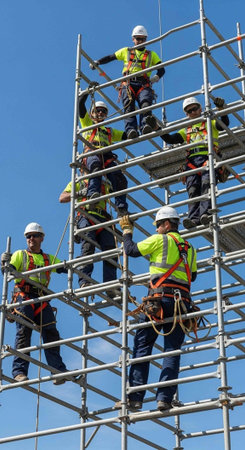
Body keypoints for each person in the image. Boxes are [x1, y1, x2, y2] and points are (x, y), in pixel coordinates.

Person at [118, 206, 197, 411]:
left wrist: (127, 232)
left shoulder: (160, 240)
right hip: (181, 304)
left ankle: (135, 397)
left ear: (167, 224)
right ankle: (164, 398)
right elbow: (193, 276)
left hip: (159, 301)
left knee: (142, 346)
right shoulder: (189, 247)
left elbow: (131, 250)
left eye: (158, 225)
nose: (156, 229)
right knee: (172, 351)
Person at [2, 223, 67, 384]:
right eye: (28, 236)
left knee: (51, 333)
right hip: (24, 297)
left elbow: (64, 267)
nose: (31, 238)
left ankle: (57, 370)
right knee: (24, 332)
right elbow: (8, 272)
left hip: (42, 299)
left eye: (34, 235)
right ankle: (19, 372)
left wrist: (77, 264)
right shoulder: (20, 255)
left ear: (42, 238)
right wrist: (4, 264)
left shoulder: (48, 259)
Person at [159, 97, 229, 229]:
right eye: (189, 111)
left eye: (195, 109)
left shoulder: (209, 122)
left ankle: (206, 214)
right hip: (192, 162)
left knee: (206, 185)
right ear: (186, 114)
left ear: (200, 108)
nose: (193, 112)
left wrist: (221, 109)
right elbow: (170, 139)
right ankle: (194, 218)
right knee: (193, 190)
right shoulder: (186, 130)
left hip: (207, 157)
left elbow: (223, 124)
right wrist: (157, 128)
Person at [90, 25, 165, 139]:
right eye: (137, 38)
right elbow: (111, 57)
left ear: (146, 39)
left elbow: (161, 69)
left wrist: (156, 77)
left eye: (142, 39)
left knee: (145, 104)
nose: (140, 41)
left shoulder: (151, 55)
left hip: (143, 83)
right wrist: (98, 62)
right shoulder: (126, 51)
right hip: (128, 83)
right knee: (129, 107)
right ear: (133, 39)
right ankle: (131, 130)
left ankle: (145, 126)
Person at [59, 167, 120, 298]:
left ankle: (111, 285)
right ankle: (85, 282)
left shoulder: (104, 182)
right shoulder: (78, 182)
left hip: (103, 218)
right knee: (88, 247)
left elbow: (118, 189)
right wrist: (79, 193)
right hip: (85, 216)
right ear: (81, 168)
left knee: (111, 251)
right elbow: (62, 197)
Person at [79, 90, 128, 217]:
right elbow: (80, 105)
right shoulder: (87, 123)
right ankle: (92, 195)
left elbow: (126, 136)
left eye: (103, 111)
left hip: (106, 157)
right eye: (97, 110)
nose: (100, 113)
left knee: (119, 178)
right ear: (92, 113)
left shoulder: (109, 131)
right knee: (96, 166)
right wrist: (87, 93)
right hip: (92, 153)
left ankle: (121, 208)